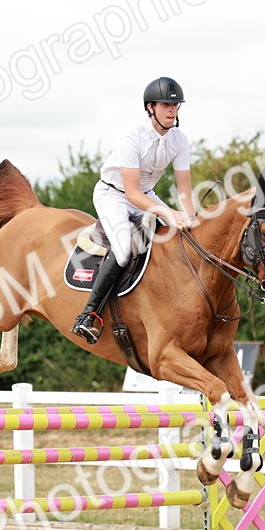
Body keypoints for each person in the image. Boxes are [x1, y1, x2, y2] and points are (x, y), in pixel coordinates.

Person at [71, 76, 198, 344]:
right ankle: (88, 314)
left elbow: (184, 190)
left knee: (181, 234)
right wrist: (168, 213)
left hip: (146, 195)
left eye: (175, 106)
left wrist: (191, 217)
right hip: (114, 196)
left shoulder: (180, 139)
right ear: (150, 107)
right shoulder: (131, 137)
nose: (172, 110)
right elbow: (132, 194)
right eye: (165, 105)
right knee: (124, 249)